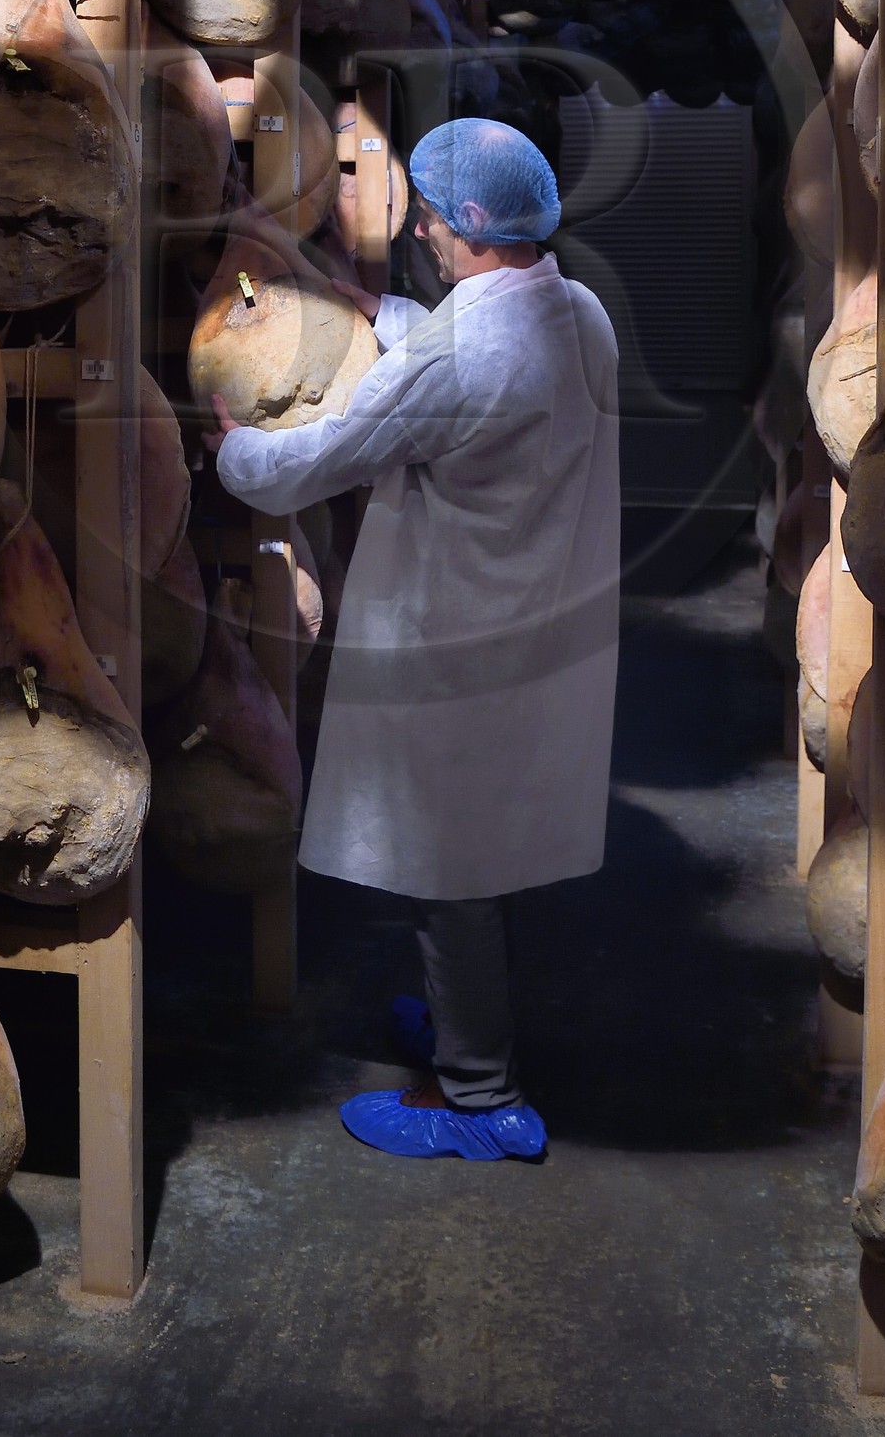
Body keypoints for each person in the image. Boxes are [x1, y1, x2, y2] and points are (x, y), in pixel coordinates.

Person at [209, 117, 621, 1163]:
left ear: (456, 224)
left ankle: (479, 1098)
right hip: (531, 622)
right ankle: (464, 1026)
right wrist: (374, 311)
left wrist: (232, 452)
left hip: (457, 645)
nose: (425, 239)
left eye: (432, 225)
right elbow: (459, 351)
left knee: (453, 873)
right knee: (483, 852)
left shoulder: (454, 356)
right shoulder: (580, 314)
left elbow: (321, 463)